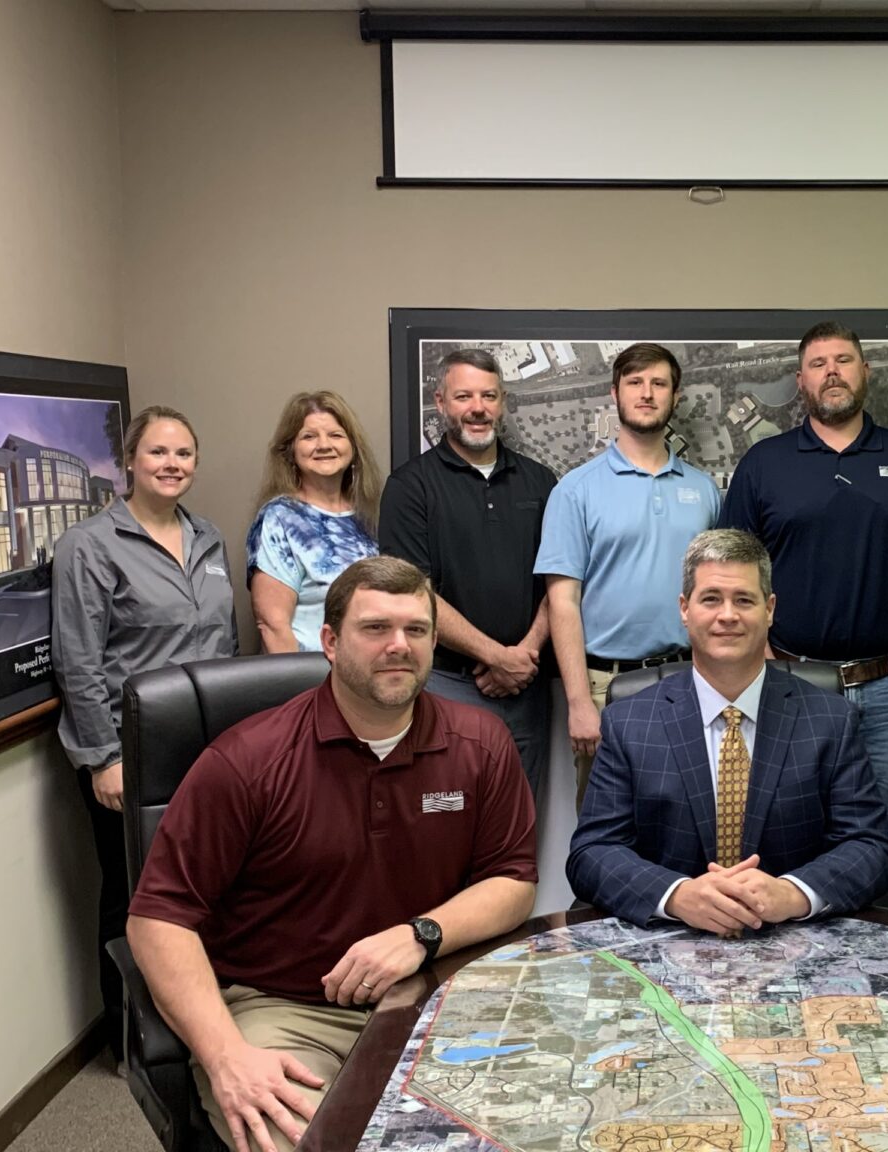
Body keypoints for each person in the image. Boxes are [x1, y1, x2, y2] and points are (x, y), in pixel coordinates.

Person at [126, 556, 538, 1152]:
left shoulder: (481, 743)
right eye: (375, 628)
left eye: (416, 630)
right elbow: (158, 919)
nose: (399, 646)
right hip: (287, 1009)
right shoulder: (247, 761)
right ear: (329, 641)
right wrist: (226, 1056)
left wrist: (421, 934)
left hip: (435, 995)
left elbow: (513, 880)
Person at [719, 321, 888, 917]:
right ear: (800, 380)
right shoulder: (765, 462)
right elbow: (733, 569)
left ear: (864, 372)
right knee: (791, 834)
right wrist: (763, 661)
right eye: (818, 363)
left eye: (844, 360)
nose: (832, 373)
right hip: (793, 684)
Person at [566, 529, 888, 933]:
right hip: (669, 941)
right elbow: (593, 851)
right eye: (711, 599)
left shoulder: (831, 719)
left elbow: (870, 847)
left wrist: (792, 893)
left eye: (744, 600)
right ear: (684, 609)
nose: (727, 615)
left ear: (769, 610)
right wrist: (676, 895)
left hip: (791, 939)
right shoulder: (628, 722)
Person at [52, 404, 238, 1063]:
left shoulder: (206, 537)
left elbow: (225, 642)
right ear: (130, 461)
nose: (171, 464)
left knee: (207, 885)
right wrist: (104, 757)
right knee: (136, 895)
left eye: (183, 453)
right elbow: (77, 659)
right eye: (157, 452)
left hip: (205, 745)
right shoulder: (90, 545)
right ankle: (133, 1041)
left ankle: (202, 1025)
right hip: (132, 750)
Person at [535, 342, 720, 807]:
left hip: (689, 679)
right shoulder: (575, 490)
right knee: (605, 825)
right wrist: (579, 702)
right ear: (614, 394)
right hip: (606, 688)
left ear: (675, 396)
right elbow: (562, 602)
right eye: (635, 383)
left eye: (659, 383)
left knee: (692, 819)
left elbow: (719, 593)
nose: (647, 393)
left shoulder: (703, 490)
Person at [380, 349, 557, 800]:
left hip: (527, 686)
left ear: (503, 402)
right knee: (444, 813)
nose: (478, 408)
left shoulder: (541, 482)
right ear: (441, 402)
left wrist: (522, 656)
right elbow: (413, 592)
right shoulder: (410, 486)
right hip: (447, 684)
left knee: (521, 817)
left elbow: (560, 580)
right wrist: (496, 657)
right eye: (464, 396)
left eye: (489, 396)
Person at [247, 391, 381, 653]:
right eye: (309, 436)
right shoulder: (280, 518)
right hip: (311, 672)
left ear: (353, 447)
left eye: (336, 435)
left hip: (366, 671)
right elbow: (273, 626)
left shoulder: (369, 517)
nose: (324, 445)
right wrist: (299, 680)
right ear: (290, 451)